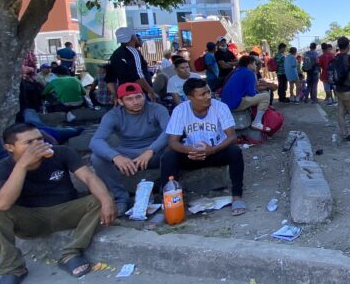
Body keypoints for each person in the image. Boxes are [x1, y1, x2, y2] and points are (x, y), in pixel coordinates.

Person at [0, 123, 116, 284]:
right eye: (29, 142)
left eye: (39, 139)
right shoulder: (1, 169)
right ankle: (13, 269)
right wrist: (22, 166)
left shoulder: (61, 153)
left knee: (102, 198)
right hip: (29, 218)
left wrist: (106, 200)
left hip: (65, 210)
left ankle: (71, 253)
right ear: (10, 147)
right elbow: (2, 204)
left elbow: (88, 177)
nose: (38, 145)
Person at [157, 78, 247, 216]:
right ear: (190, 97)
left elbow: (232, 137)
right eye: (202, 94)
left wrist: (212, 150)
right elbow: (173, 142)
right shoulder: (180, 110)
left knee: (235, 151)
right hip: (192, 155)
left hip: (215, 152)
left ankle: (237, 196)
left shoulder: (220, 107)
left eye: (208, 92)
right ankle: (170, 201)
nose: (208, 96)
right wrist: (189, 150)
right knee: (168, 157)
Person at [89, 83, 170, 215]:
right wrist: (115, 156)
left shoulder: (157, 109)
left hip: (154, 152)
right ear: (120, 101)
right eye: (129, 99)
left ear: (144, 96)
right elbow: (95, 141)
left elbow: (169, 131)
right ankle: (120, 198)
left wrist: (151, 150)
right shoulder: (113, 115)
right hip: (128, 153)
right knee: (97, 158)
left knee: (172, 148)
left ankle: (167, 192)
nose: (136, 102)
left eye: (138, 97)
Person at [219, 56, 277, 130]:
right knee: (265, 96)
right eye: (254, 64)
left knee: (261, 95)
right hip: (234, 105)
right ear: (249, 64)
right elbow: (251, 93)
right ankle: (257, 122)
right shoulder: (249, 73)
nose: (256, 66)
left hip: (226, 104)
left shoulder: (237, 71)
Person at [106, 27, 156, 101]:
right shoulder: (133, 52)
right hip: (138, 93)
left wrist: (115, 95)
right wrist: (150, 91)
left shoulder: (115, 54)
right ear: (133, 37)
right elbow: (138, 75)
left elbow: (109, 78)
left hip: (124, 95)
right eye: (136, 35)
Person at [331, 37, 350, 140]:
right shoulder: (349, 58)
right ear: (348, 46)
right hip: (349, 90)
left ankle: (344, 134)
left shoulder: (335, 58)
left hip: (338, 90)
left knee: (340, 113)